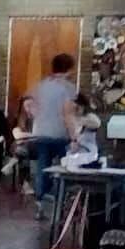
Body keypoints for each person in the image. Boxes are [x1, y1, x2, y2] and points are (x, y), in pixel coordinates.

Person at [29, 54, 79, 209]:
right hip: (60, 134)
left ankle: (40, 201)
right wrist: (74, 137)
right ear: (69, 69)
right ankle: (61, 199)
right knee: (65, 168)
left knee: (42, 167)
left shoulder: (42, 85)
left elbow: (31, 108)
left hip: (41, 132)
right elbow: (67, 113)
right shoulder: (68, 88)